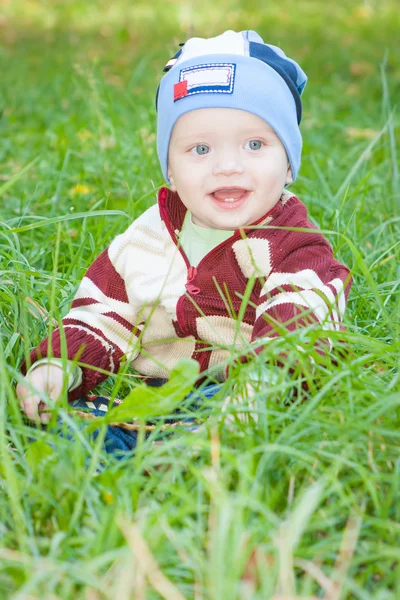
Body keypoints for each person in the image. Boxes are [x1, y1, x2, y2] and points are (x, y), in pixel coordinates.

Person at [16, 30, 352, 450]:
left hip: (241, 392)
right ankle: (118, 466)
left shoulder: (291, 243)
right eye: (199, 149)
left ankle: (201, 455)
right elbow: (103, 312)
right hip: (145, 393)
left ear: (288, 165)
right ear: (170, 170)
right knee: (73, 426)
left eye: (254, 144)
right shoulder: (148, 237)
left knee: (249, 428)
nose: (228, 166)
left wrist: (261, 386)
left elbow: (300, 317)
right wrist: (59, 365)